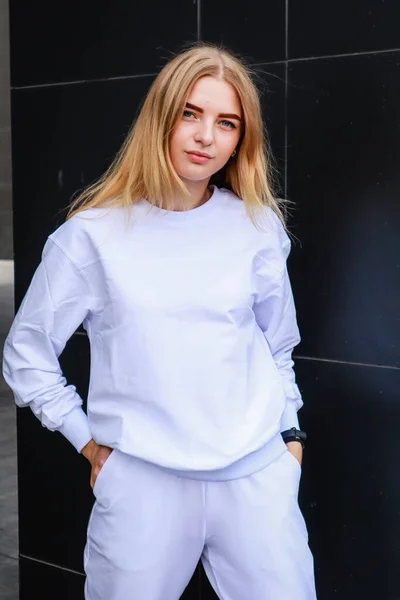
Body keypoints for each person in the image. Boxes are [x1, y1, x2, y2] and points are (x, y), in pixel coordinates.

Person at [2, 43, 317, 600]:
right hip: (143, 486)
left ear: (240, 138)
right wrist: (88, 443)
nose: (205, 137)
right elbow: (26, 355)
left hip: (256, 478)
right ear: (161, 117)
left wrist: (289, 440)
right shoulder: (91, 236)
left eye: (226, 123)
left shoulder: (257, 226)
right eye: (190, 114)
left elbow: (277, 344)